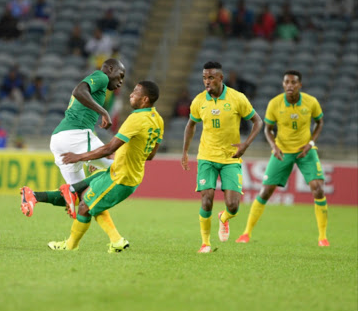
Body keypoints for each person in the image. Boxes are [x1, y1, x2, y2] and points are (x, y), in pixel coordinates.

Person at [23, 80, 163, 252]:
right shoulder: (158, 120)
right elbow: (149, 154)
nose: (131, 94)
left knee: (85, 206)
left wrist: (80, 157)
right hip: (125, 174)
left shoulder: (136, 119)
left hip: (120, 177)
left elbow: (108, 148)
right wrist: (118, 156)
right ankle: (34, 196)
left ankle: (71, 245)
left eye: (135, 92)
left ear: (145, 99)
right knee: (81, 194)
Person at [20, 58, 126, 247]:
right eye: (120, 74)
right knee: (120, 169)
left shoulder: (100, 87)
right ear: (110, 69)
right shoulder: (100, 76)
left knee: (85, 197)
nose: (121, 80)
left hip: (61, 139)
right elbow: (78, 91)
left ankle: (34, 195)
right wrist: (104, 112)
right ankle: (69, 191)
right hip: (75, 134)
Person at [236, 70, 329, 247]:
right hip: (282, 151)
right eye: (286, 82)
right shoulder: (275, 104)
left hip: (305, 151)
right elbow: (267, 129)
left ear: (300, 85)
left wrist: (310, 142)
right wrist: (274, 146)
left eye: (293, 82)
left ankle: (323, 237)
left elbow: (320, 122)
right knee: (265, 192)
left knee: (318, 188)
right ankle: (246, 233)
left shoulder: (311, 102)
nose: (290, 85)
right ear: (283, 84)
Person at [181, 61, 263, 253]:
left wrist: (245, 144)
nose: (206, 82)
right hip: (207, 156)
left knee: (233, 205)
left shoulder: (237, 98)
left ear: (220, 78)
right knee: (206, 199)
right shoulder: (199, 101)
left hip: (231, 157)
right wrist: (185, 151)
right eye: (204, 78)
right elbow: (190, 125)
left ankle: (224, 217)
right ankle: (205, 243)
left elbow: (257, 121)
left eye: (210, 77)